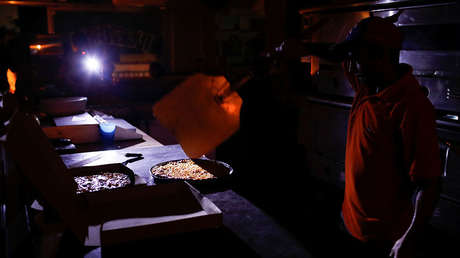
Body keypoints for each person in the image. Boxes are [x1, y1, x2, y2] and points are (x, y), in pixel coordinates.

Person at [280, 16, 442, 258]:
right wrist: (302, 48)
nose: (352, 68)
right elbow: (337, 54)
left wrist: (408, 237)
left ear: (384, 56)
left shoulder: (411, 107)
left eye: (360, 59)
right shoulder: (368, 85)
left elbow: (429, 184)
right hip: (350, 222)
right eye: (352, 58)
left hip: (383, 240)